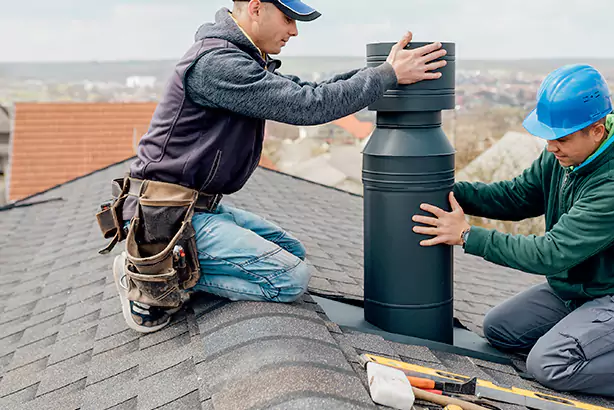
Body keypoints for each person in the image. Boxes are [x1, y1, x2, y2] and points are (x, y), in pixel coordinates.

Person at [96, 0, 447, 334]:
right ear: (256, 7)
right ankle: (148, 273)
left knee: (292, 252)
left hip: (195, 209)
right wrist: (386, 75)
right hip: (165, 216)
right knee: (289, 278)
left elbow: (310, 89)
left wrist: (382, 72)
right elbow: (308, 106)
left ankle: (173, 266)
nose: (294, 31)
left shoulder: (241, 59)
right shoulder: (216, 64)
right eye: (288, 19)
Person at [412, 64, 614, 409]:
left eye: (561, 138)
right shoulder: (566, 157)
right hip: (580, 288)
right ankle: (591, 338)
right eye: (549, 137)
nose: (551, 147)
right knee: (500, 329)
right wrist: (450, 191)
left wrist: (466, 235)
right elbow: (517, 197)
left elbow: (552, 254)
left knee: (548, 365)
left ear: (597, 131)